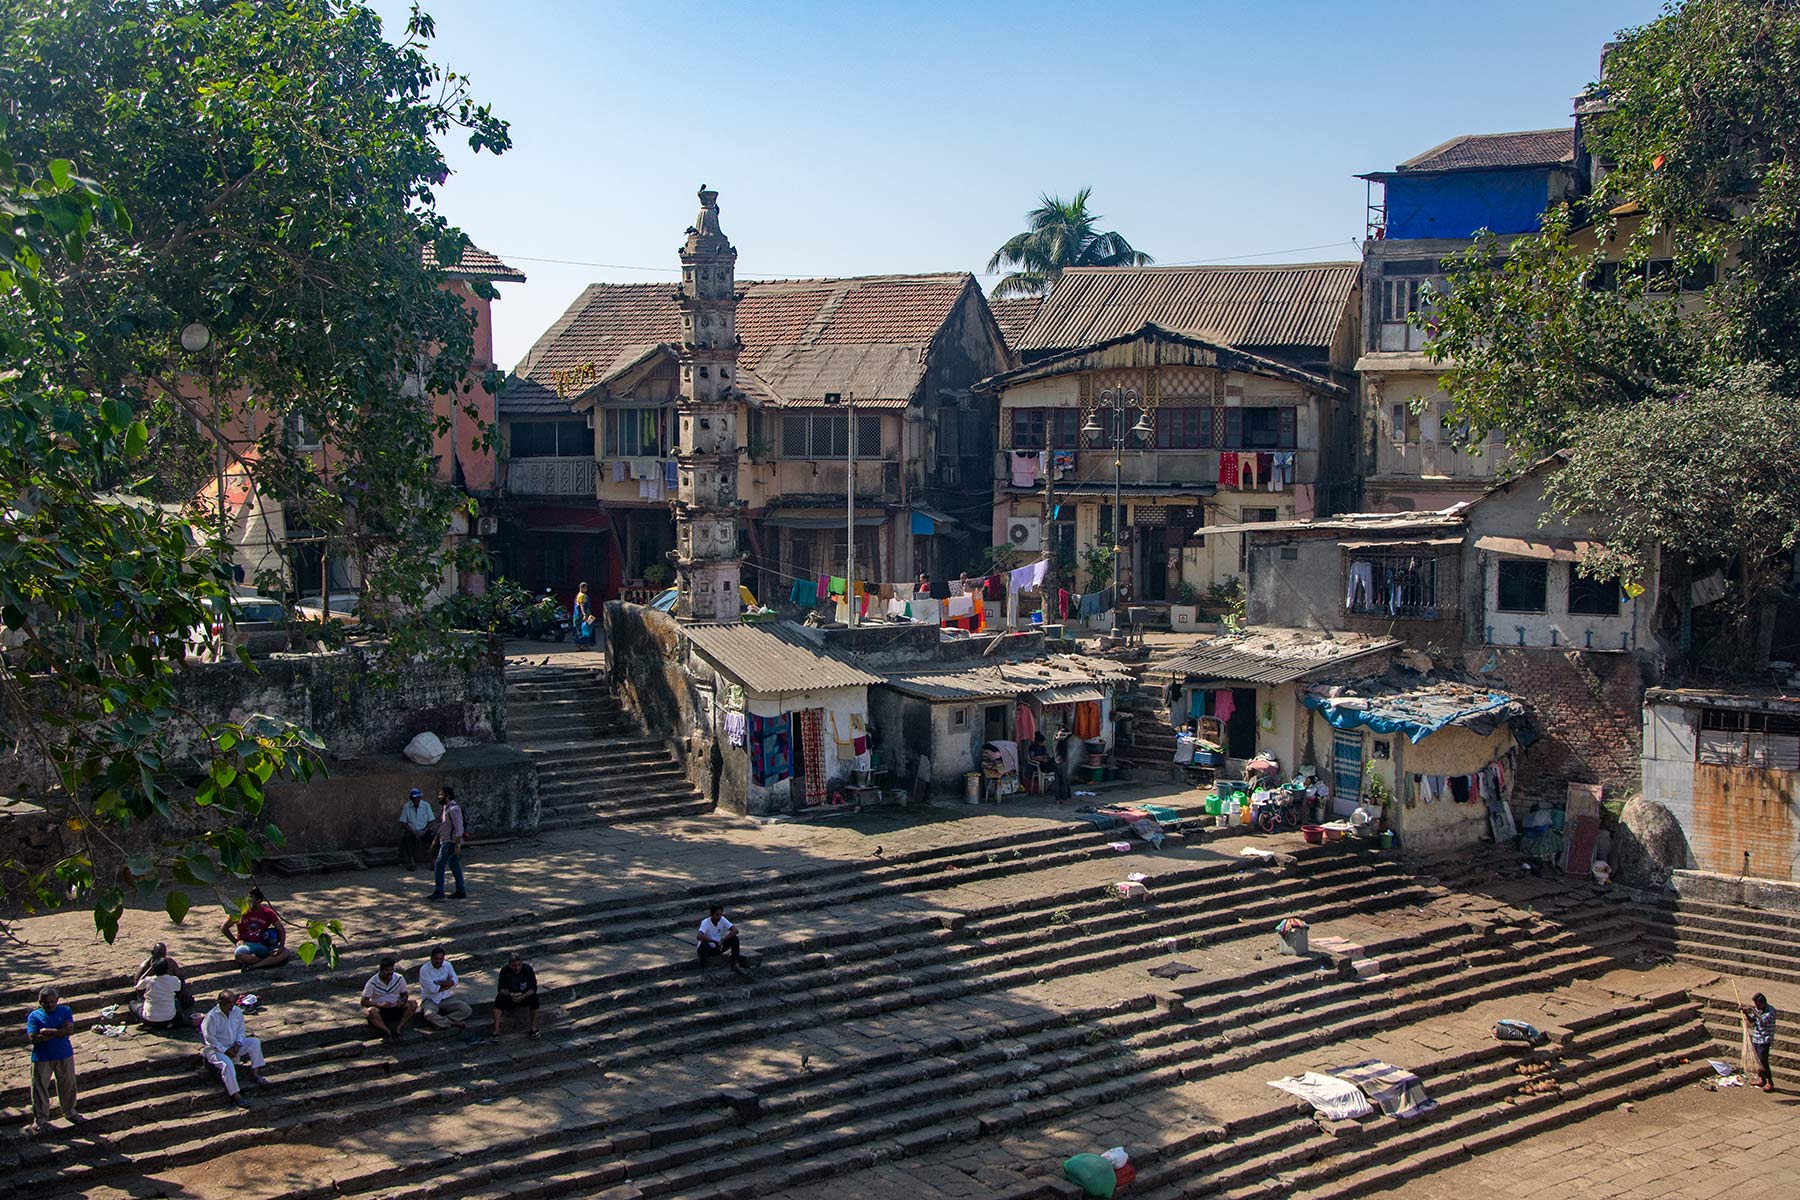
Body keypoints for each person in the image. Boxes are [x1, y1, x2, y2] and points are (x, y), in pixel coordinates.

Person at [25, 986, 83, 1135]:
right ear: (40, 1002)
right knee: (39, 1088)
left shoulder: (65, 1011)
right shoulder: (34, 1016)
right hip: (42, 1056)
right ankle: (40, 1119)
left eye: (52, 1002)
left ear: (57, 1000)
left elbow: (69, 1030)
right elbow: (33, 1038)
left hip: (64, 1054)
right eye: (46, 1002)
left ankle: (70, 1111)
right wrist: (58, 1032)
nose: (49, 1005)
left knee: (68, 1084)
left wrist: (47, 1032)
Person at [200, 988, 267, 1107]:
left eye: (233, 1002)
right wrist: (225, 1050)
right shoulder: (211, 1017)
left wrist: (238, 1044)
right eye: (228, 1003)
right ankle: (236, 1095)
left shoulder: (236, 1011)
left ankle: (255, 1073)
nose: (231, 1005)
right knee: (227, 1065)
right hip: (216, 1050)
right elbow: (210, 1038)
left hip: (233, 1046)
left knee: (254, 1043)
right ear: (220, 1002)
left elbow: (241, 1030)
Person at [221, 887, 292, 971]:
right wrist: (236, 942)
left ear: (258, 901)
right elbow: (224, 928)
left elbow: (280, 929)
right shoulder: (240, 912)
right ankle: (268, 962)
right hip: (246, 945)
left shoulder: (268, 912)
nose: (248, 901)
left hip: (263, 944)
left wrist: (281, 946)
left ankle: (255, 965)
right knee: (239, 955)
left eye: (251, 899)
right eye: (248, 898)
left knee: (285, 953)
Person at [360, 956, 418, 1040]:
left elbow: (405, 994)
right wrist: (379, 1004)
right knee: (370, 1011)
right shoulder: (372, 982)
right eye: (387, 970)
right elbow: (363, 1001)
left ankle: (398, 1029)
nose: (389, 973)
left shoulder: (399, 978)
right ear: (381, 970)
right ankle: (387, 1032)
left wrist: (401, 1001)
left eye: (391, 970)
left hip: (396, 1007)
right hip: (381, 1010)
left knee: (413, 1004)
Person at [417, 947, 472, 1031]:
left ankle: (441, 1022)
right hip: (430, 1000)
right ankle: (453, 1023)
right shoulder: (424, 969)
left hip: (446, 998)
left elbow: (455, 981)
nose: (439, 961)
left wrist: (440, 983)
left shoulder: (447, 965)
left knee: (466, 1010)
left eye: (441, 959)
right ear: (431, 958)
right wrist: (447, 984)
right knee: (429, 1015)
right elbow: (433, 989)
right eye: (436, 959)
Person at [429, 786, 468, 900]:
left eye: (441, 794)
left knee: (439, 864)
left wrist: (457, 844)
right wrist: (436, 839)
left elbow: (459, 828)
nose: (439, 797)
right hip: (446, 840)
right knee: (454, 865)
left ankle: (439, 891)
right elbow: (444, 826)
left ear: (447, 796)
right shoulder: (446, 808)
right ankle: (460, 890)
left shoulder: (454, 809)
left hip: (450, 842)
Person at [492, 952, 539, 1038]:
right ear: (510, 965)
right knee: (499, 999)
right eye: (514, 966)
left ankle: (533, 1028)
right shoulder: (504, 971)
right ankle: (496, 1031)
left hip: (524, 996)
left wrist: (523, 996)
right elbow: (501, 989)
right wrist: (511, 994)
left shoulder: (527, 969)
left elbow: (533, 988)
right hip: (510, 997)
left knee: (535, 998)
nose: (517, 968)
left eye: (519, 965)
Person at [131, 959, 188, 1030]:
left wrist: (149, 970)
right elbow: (179, 988)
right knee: (176, 1002)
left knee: (132, 1004)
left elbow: (138, 986)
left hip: (149, 1019)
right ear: (167, 969)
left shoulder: (148, 980)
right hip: (169, 1018)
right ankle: (169, 1024)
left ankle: (147, 1024)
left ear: (153, 970)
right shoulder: (174, 980)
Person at [696, 904, 745, 973]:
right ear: (712, 914)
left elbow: (735, 930)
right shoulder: (705, 922)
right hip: (708, 948)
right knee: (703, 945)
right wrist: (712, 941)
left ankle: (734, 963)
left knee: (735, 939)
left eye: (720, 915)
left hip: (718, 947)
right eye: (717, 915)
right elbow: (699, 936)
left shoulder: (722, 919)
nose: (719, 917)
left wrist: (723, 939)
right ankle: (705, 967)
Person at [1744, 992, 1778, 1092]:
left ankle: (1770, 1082)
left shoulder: (1771, 1011)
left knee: (1763, 1061)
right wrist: (1745, 1013)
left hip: (1765, 1040)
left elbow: (1763, 1020)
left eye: (1757, 1005)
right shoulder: (1758, 1010)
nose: (1756, 1007)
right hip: (1756, 1038)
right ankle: (1762, 1079)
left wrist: (1753, 1010)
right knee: (1757, 1061)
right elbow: (1752, 1020)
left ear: (1763, 1003)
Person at [398, 787, 434, 871]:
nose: (417, 800)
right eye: (415, 798)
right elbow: (403, 823)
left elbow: (431, 821)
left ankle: (433, 860)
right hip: (412, 831)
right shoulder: (406, 807)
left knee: (433, 836)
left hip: (424, 830)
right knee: (407, 837)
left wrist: (423, 832)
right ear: (411, 798)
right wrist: (414, 832)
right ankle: (411, 862)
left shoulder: (426, 805)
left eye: (419, 797)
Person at [573, 581, 594, 648]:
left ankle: (584, 645)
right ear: (581, 588)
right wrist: (584, 615)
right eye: (585, 588)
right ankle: (582, 645)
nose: (586, 589)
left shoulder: (579, 595)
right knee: (582, 630)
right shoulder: (582, 596)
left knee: (585, 629)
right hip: (581, 616)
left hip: (580, 615)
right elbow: (582, 606)